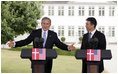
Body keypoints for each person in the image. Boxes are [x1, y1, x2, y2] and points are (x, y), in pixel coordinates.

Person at [7, 17, 75, 73]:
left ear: (50, 24)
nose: (45, 25)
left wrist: (68, 47)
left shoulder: (53, 34)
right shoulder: (35, 32)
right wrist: (15, 44)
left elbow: (59, 44)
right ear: (41, 24)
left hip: (48, 60)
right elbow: (26, 41)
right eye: (44, 23)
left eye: (47, 24)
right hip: (36, 60)